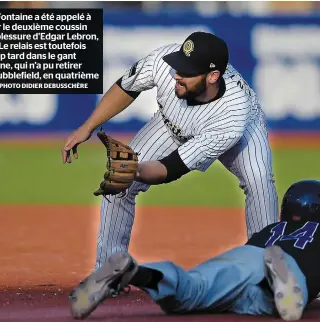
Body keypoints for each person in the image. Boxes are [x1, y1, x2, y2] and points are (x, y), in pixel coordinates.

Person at [61, 31, 278, 270]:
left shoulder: (233, 115)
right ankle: (109, 270)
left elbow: (172, 167)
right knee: (119, 181)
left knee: (259, 181)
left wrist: (135, 169)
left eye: (187, 71)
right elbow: (127, 86)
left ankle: (265, 270)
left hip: (243, 132)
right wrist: (88, 127)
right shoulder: (162, 61)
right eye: (178, 66)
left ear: (212, 76)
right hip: (171, 123)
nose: (177, 74)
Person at [69, 180, 320, 321]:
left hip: (246, 256)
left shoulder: (269, 230)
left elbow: (246, 265)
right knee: (284, 301)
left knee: (190, 291)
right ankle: (284, 280)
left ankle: (135, 272)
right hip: (281, 272)